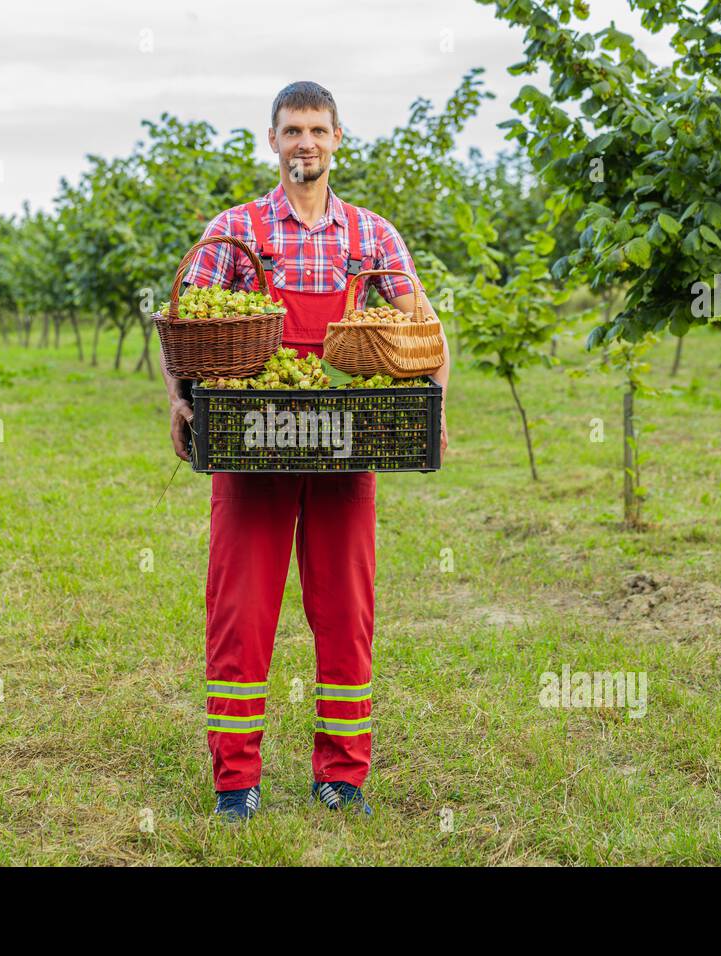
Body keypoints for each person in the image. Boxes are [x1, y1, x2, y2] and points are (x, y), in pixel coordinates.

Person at [160, 81, 450, 821]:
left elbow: (422, 329)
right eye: (292, 131)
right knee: (240, 608)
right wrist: (178, 396)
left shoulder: (372, 237)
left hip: (345, 441)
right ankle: (236, 780)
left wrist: (432, 404)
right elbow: (186, 320)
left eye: (318, 130)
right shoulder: (237, 229)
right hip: (252, 440)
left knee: (346, 607)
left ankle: (342, 772)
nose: (306, 144)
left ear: (338, 139)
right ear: (272, 139)